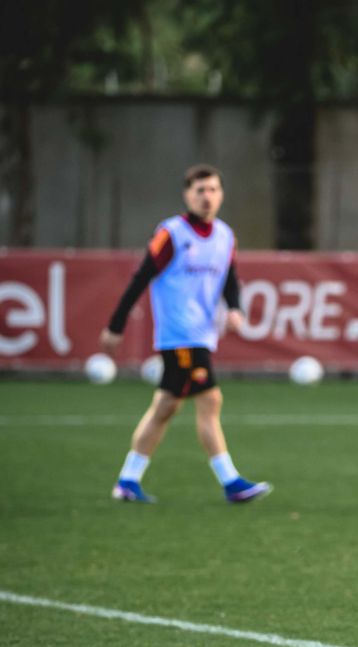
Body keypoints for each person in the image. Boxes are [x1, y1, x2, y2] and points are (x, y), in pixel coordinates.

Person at [101, 164, 271, 505]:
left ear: (221, 194)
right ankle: (231, 481)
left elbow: (229, 277)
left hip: (202, 333)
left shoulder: (225, 236)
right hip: (179, 334)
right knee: (210, 400)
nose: (207, 197)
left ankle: (127, 481)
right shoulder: (172, 233)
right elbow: (141, 277)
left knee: (166, 406)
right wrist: (117, 324)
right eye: (200, 191)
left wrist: (234, 308)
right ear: (187, 195)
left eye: (212, 190)